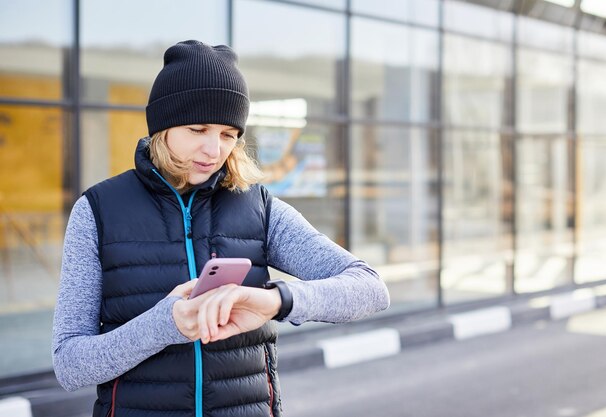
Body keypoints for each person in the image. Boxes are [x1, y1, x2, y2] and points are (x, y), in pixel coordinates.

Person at [52, 40, 390, 417]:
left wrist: (276, 301)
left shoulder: (259, 208)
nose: (214, 150)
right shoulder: (98, 210)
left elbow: (370, 288)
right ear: (163, 127)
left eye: (229, 134)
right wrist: (165, 324)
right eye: (199, 128)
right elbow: (70, 365)